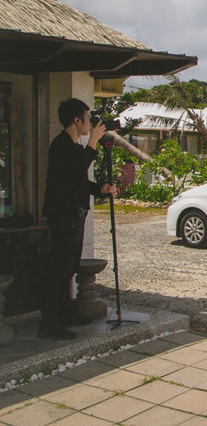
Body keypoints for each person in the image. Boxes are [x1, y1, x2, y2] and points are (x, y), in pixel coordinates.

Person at [40, 98, 117, 340]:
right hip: (63, 215)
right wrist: (93, 141)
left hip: (74, 213)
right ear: (76, 120)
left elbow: (78, 180)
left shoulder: (72, 147)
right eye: (87, 118)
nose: (90, 124)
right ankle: (48, 323)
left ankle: (63, 314)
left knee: (68, 268)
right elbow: (78, 167)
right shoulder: (61, 145)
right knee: (59, 268)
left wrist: (100, 189)